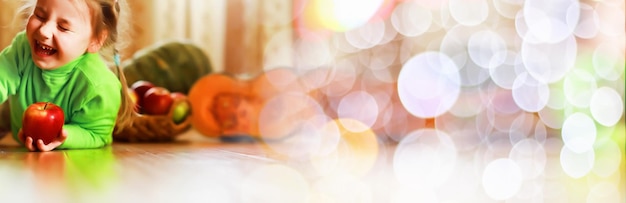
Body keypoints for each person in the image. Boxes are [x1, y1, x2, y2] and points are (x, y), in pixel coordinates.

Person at [0, 0, 135, 151]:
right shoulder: (23, 47)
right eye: (39, 16)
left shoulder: (101, 86)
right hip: (19, 156)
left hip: (73, 165)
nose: (44, 31)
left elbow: (97, 134)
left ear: (96, 40)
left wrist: (62, 137)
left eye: (63, 27)